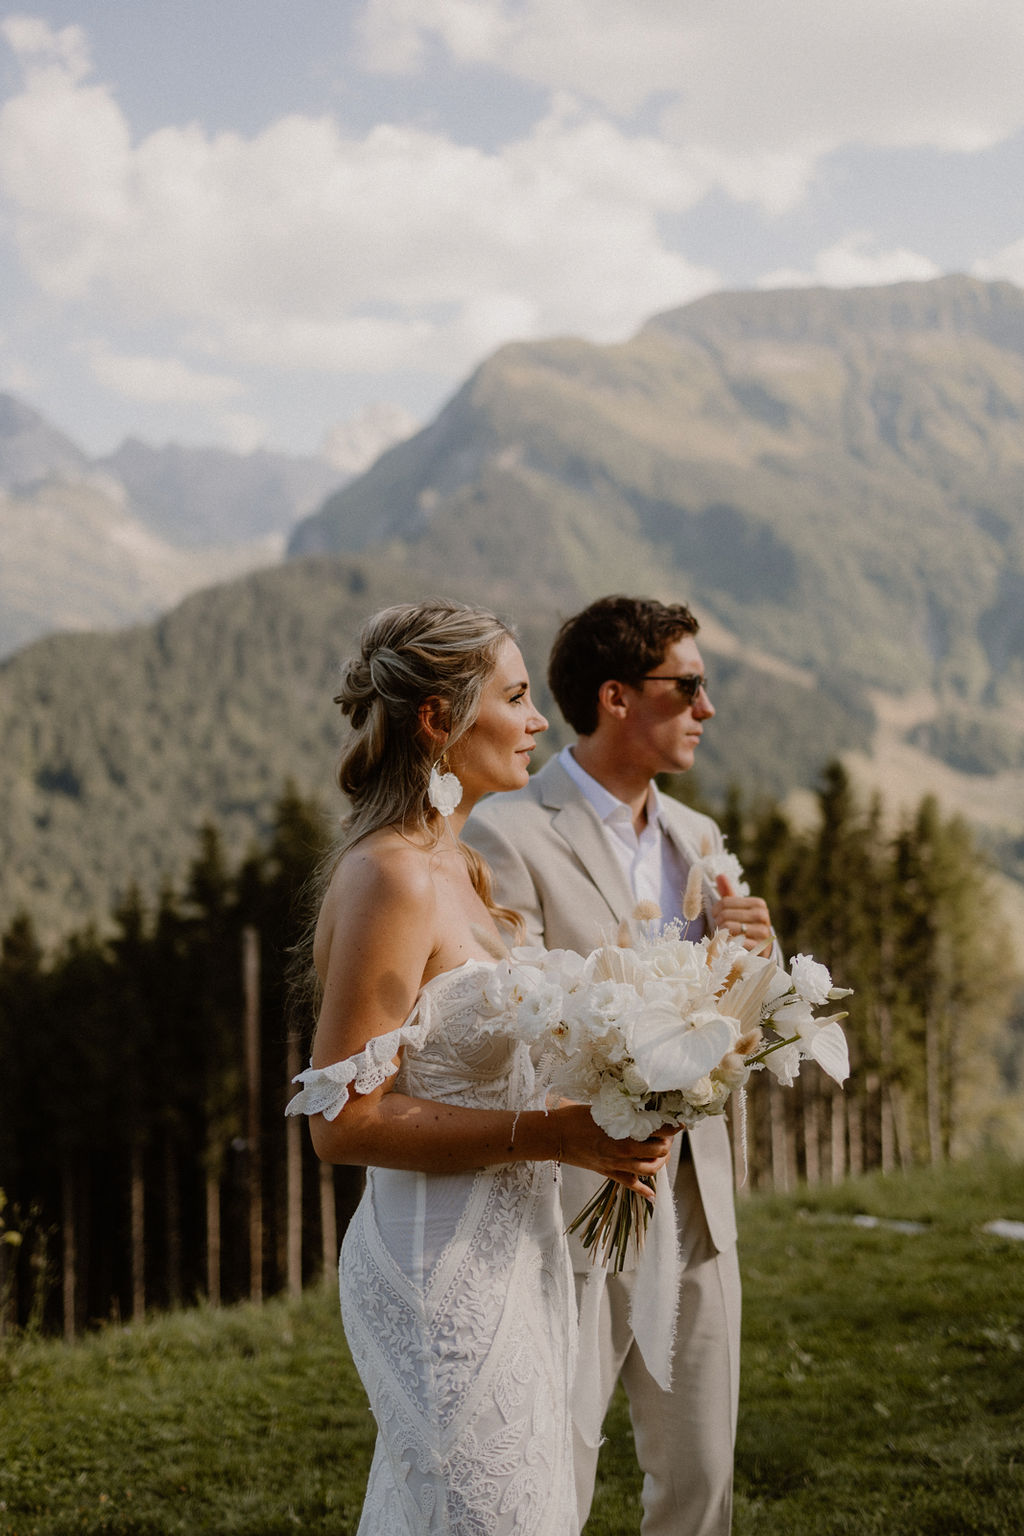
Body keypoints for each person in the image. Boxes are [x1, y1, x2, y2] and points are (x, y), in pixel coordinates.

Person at [285, 598, 676, 1536]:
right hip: (437, 1266)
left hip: (521, 1248)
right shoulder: (391, 876)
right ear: (438, 720)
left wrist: (627, 1080)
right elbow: (343, 1125)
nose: (541, 719)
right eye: (516, 696)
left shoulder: (459, 866)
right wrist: (558, 1135)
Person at [463, 595, 777, 1536]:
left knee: (701, 1478)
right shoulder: (508, 834)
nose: (706, 708)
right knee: (555, 1470)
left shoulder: (699, 840)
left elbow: (735, 1019)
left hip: (696, 1204)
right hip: (572, 1199)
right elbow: (510, 1023)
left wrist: (752, 966)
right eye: (686, 686)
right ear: (615, 697)